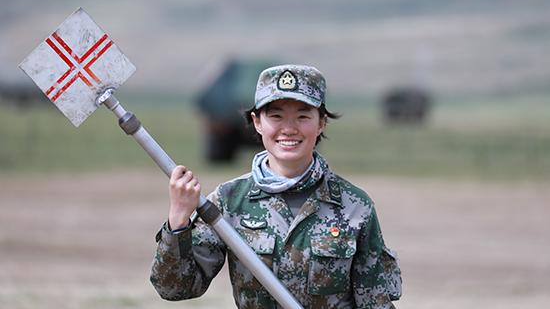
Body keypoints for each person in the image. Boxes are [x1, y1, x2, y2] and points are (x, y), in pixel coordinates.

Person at [150, 65, 402, 308]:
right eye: (276, 116)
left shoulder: (354, 206)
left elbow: (375, 302)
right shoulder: (229, 201)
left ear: (321, 122)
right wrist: (178, 220)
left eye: (303, 116)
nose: (289, 129)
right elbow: (175, 288)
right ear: (257, 122)